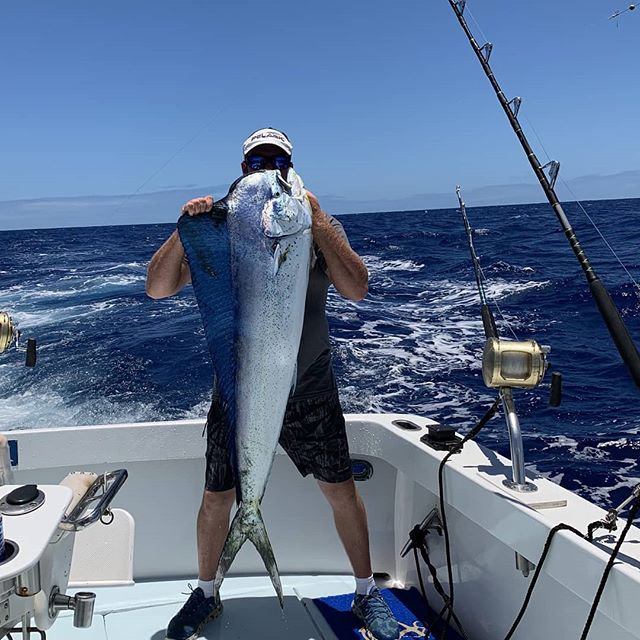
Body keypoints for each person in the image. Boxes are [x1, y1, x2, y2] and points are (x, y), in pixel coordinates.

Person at [146, 128, 399, 640]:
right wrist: (184, 228)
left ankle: (366, 592)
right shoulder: (222, 232)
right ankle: (207, 593)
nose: (268, 168)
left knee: (341, 491)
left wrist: (318, 218)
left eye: (277, 160)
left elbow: (358, 288)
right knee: (218, 497)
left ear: (291, 166)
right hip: (241, 391)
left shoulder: (314, 226)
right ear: (243, 170)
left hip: (309, 386)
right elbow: (157, 288)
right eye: (258, 160)